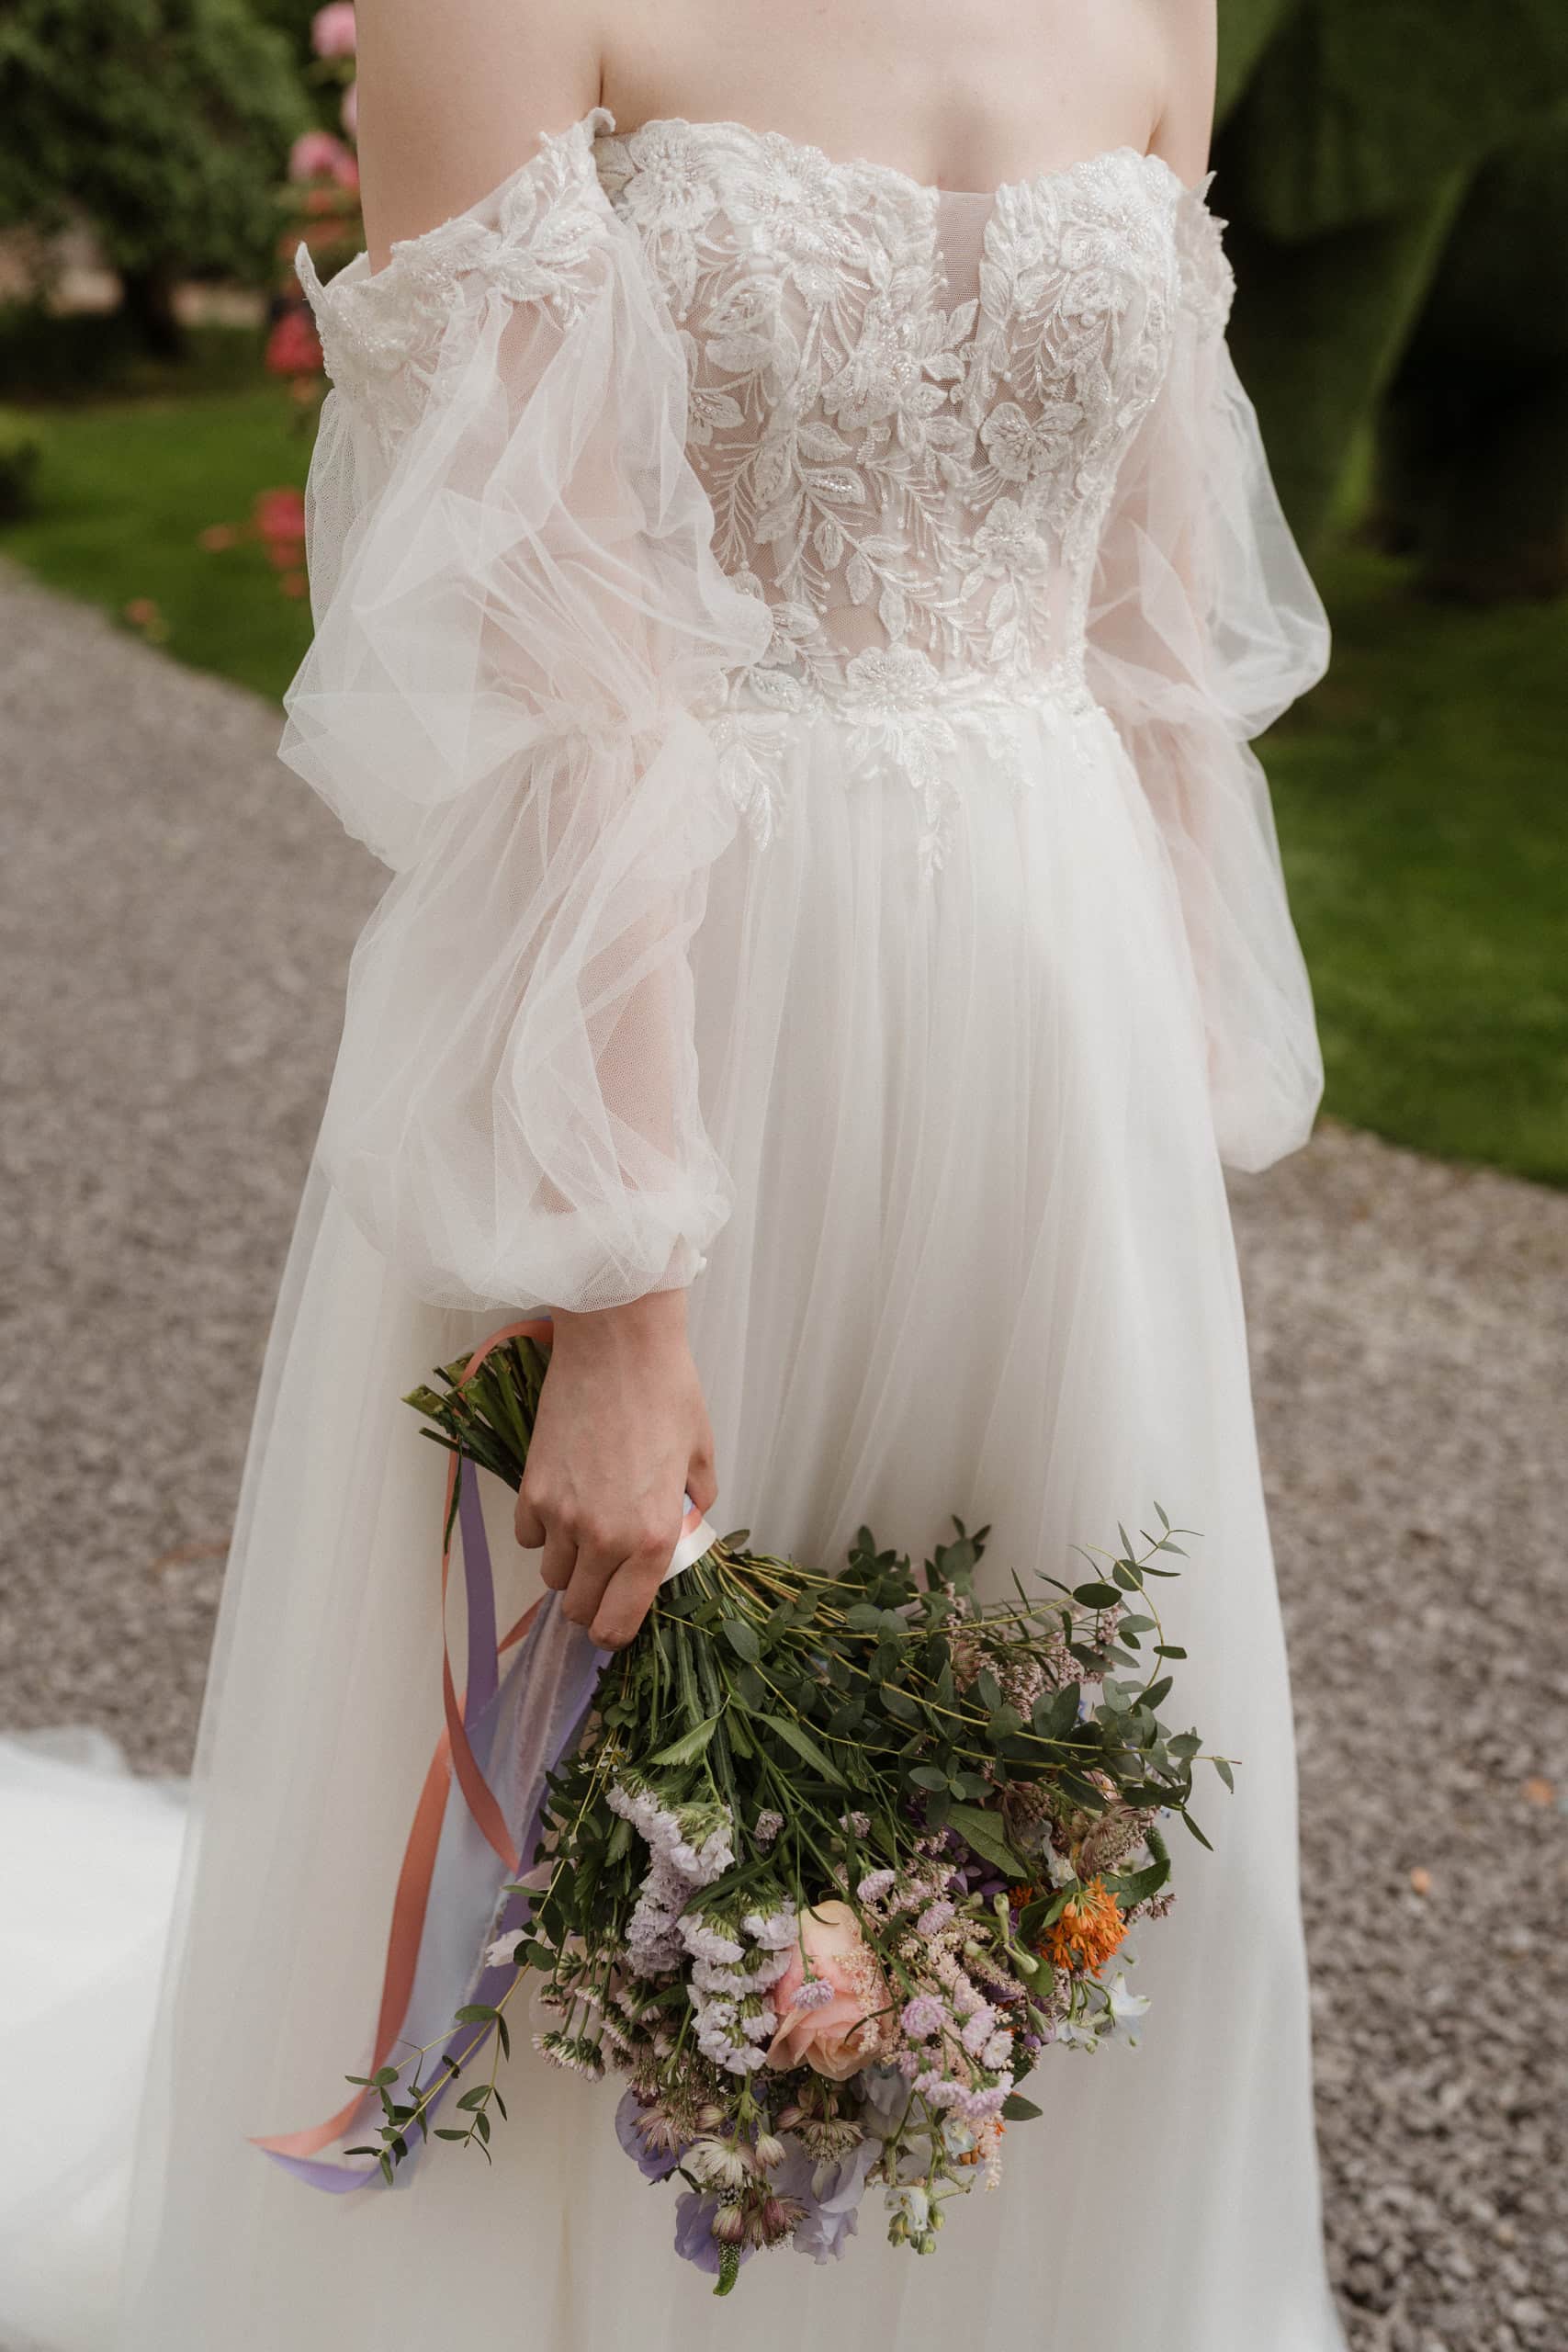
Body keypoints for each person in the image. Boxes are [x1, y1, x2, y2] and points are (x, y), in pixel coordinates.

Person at [105, 1, 1348, 2344]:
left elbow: (1149, 586)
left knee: (1062, 1787)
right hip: (683, 1007)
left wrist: (1160, 1098)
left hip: (1049, 1011)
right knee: (630, 1832)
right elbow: (543, 661)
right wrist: (612, 1276)